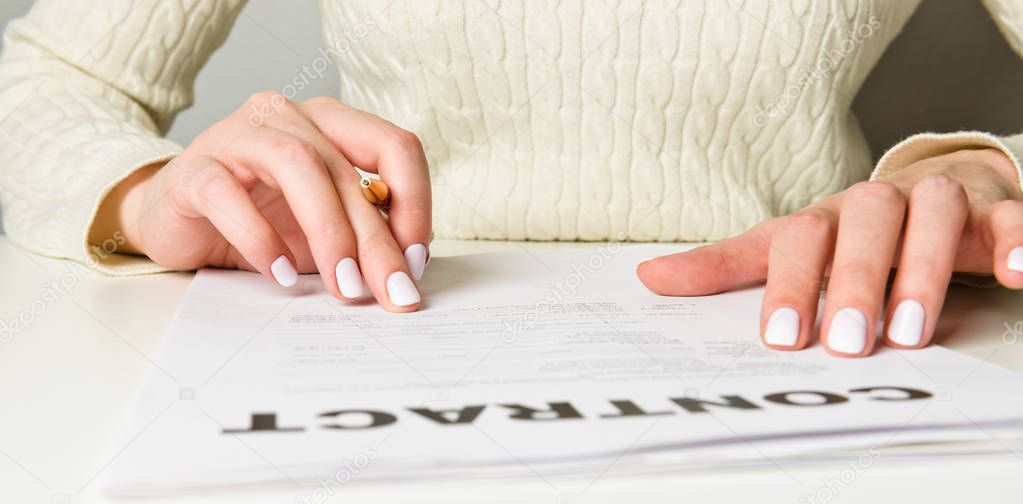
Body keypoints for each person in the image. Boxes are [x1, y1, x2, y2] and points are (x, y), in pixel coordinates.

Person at [0, 1, 1021, 358]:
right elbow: (47, 78)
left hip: (821, 367)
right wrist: (139, 194)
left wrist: (980, 174)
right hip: (373, 358)